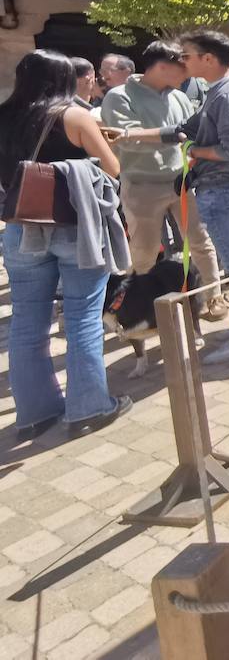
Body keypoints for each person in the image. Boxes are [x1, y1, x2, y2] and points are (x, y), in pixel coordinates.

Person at [1, 50, 131, 440]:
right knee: (82, 317)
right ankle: (89, 406)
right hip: (75, 227)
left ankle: (36, 413)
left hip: (21, 226)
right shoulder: (73, 115)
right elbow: (112, 168)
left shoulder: (3, 115)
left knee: (27, 321)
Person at [119, 31, 229, 364]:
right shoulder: (219, 92)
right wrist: (131, 134)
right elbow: (184, 128)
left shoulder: (228, 94)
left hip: (227, 187)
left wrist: (193, 151)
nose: (181, 62)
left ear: (208, 59)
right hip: (221, 187)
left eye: (186, 55)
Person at [101, 40, 222, 305]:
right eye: (183, 67)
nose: (188, 74)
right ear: (163, 66)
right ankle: (144, 307)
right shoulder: (119, 97)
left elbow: (191, 134)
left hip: (181, 181)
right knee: (144, 253)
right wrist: (171, 135)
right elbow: (125, 138)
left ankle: (214, 297)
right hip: (142, 185)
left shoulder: (178, 96)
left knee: (201, 242)